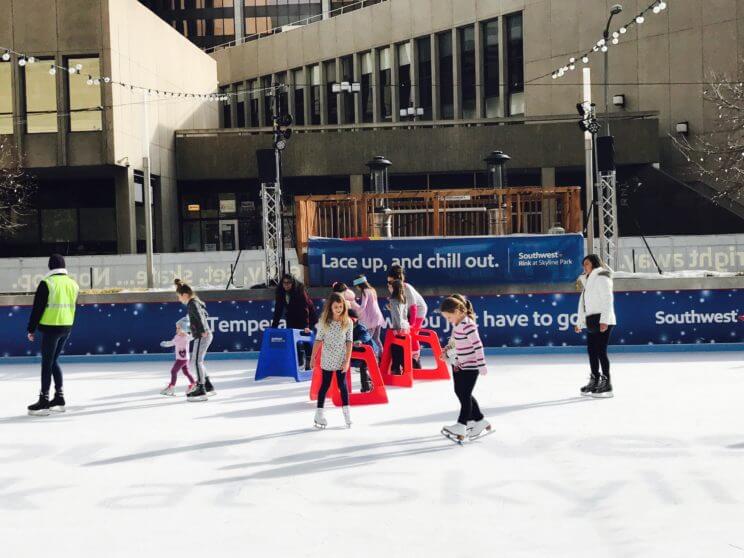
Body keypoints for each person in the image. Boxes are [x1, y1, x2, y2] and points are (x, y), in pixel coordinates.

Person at [26, 254, 80, 416]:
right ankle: (59, 398)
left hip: (50, 327)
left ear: (50, 267)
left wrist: (31, 329)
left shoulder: (47, 283)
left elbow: (38, 308)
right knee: (53, 361)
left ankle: (44, 401)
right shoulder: (73, 284)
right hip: (66, 327)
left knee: (46, 363)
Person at [439, 296, 490, 443]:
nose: (448, 320)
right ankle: (479, 420)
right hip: (460, 363)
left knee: (465, 394)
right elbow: (454, 341)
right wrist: (447, 351)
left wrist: (481, 364)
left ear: (457, 311)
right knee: (461, 392)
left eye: (449, 317)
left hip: (471, 366)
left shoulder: (468, 325)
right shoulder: (458, 325)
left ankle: (462, 424)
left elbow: (478, 345)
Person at [575, 254, 616, 398]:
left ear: (594, 264)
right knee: (592, 350)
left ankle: (606, 383)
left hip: (603, 319)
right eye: (583, 264)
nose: (584, 267)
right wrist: (579, 322)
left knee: (600, 350)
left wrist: (604, 320)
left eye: (586, 263)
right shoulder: (587, 281)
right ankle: (595, 379)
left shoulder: (602, 276)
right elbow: (583, 304)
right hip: (592, 320)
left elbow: (608, 298)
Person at [310, 292, 353, 429]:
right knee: (325, 385)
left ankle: (347, 414)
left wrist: (347, 361)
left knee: (342, 385)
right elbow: (318, 340)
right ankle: (319, 414)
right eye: (336, 307)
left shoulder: (348, 322)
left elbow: (349, 342)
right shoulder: (324, 322)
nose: (339, 309)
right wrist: (312, 357)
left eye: (341, 307)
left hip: (341, 358)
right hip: (327, 358)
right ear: (330, 307)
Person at [175, 279, 216, 401]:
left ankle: (201, 388)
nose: (179, 299)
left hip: (203, 335)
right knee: (199, 361)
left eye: (179, 296)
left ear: (185, 295)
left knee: (196, 361)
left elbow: (199, 316)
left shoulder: (192, 304)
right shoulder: (196, 302)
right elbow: (204, 315)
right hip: (204, 334)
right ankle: (208, 385)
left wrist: (202, 329)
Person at [271, 274, 318, 370]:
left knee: (305, 339)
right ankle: (299, 360)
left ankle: (309, 362)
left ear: (293, 283)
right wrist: (274, 326)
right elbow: (278, 310)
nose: (286, 285)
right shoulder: (280, 292)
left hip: (307, 316)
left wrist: (306, 325)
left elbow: (305, 309)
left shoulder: (300, 291)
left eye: (289, 283)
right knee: (293, 340)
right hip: (292, 317)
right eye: (284, 283)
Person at [387, 265, 427, 368]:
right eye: (388, 282)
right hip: (407, 311)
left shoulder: (406, 288)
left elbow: (413, 307)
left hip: (419, 310)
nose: (389, 284)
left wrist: (412, 324)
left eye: (390, 282)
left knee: (413, 334)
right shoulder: (393, 289)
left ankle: (415, 359)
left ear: (397, 281)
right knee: (405, 334)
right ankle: (406, 358)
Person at [159, 317, 196, 396]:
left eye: (179, 328)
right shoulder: (177, 337)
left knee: (173, 371)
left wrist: (192, 329)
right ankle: (193, 384)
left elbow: (194, 335)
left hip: (182, 359)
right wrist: (166, 344)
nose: (176, 330)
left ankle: (171, 387)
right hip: (183, 358)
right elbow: (172, 343)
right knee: (186, 372)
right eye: (177, 328)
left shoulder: (187, 337)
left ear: (184, 329)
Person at [348, 308, 379, 393]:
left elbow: (365, 335)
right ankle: (342, 387)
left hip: (368, 353)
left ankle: (366, 386)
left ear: (355, 319)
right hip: (355, 353)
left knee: (363, 366)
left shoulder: (360, 328)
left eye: (351, 319)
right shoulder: (345, 329)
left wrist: (360, 341)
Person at [353, 274, 384, 352]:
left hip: (372, 319)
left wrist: (356, 314)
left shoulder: (365, 291)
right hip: (378, 317)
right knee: (377, 339)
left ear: (359, 285)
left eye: (356, 286)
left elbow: (363, 306)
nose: (356, 288)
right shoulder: (372, 290)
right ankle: (382, 357)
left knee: (367, 339)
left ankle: (372, 358)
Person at [387, 279, 410, 375]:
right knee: (401, 348)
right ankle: (403, 367)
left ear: (394, 288)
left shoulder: (393, 299)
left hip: (399, 327)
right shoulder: (404, 298)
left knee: (395, 348)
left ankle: (396, 368)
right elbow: (404, 313)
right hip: (405, 326)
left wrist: (398, 327)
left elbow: (397, 314)